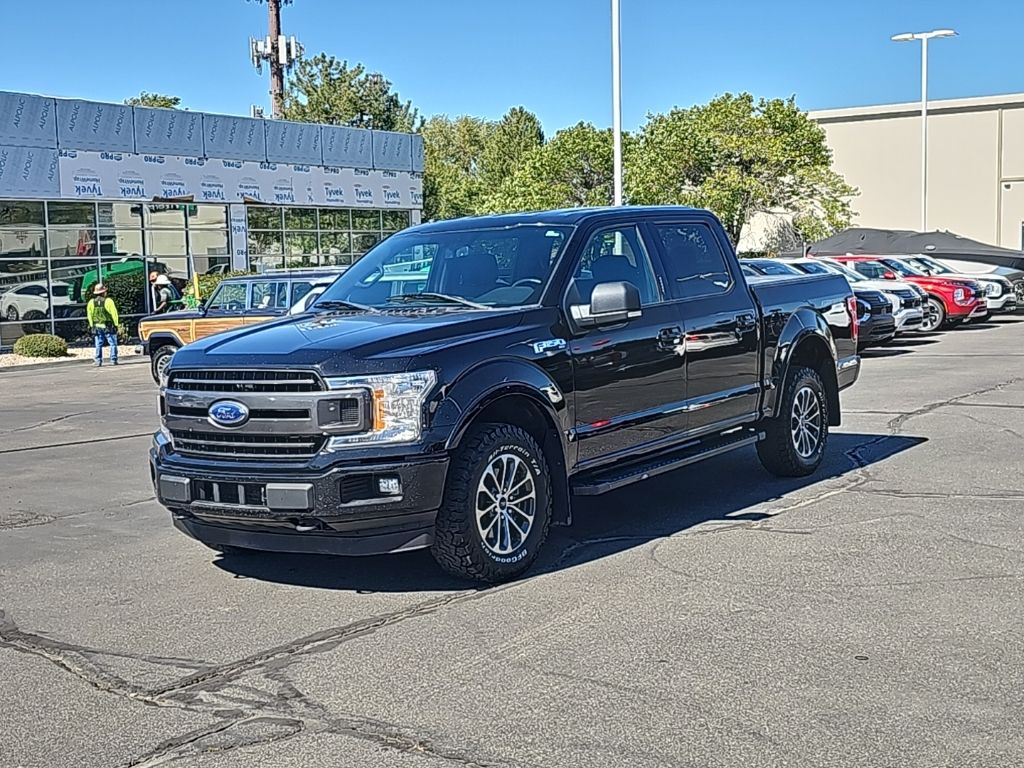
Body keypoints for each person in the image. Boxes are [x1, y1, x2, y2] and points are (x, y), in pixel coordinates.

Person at [86, 284, 119, 367]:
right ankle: (113, 359)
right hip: (107, 325)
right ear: (104, 292)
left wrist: (91, 325)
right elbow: (114, 313)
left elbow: (89, 315)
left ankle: (98, 360)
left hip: (97, 326)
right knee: (112, 343)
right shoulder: (108, 301)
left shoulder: (91, 302)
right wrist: (116, 324)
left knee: (98, 344)